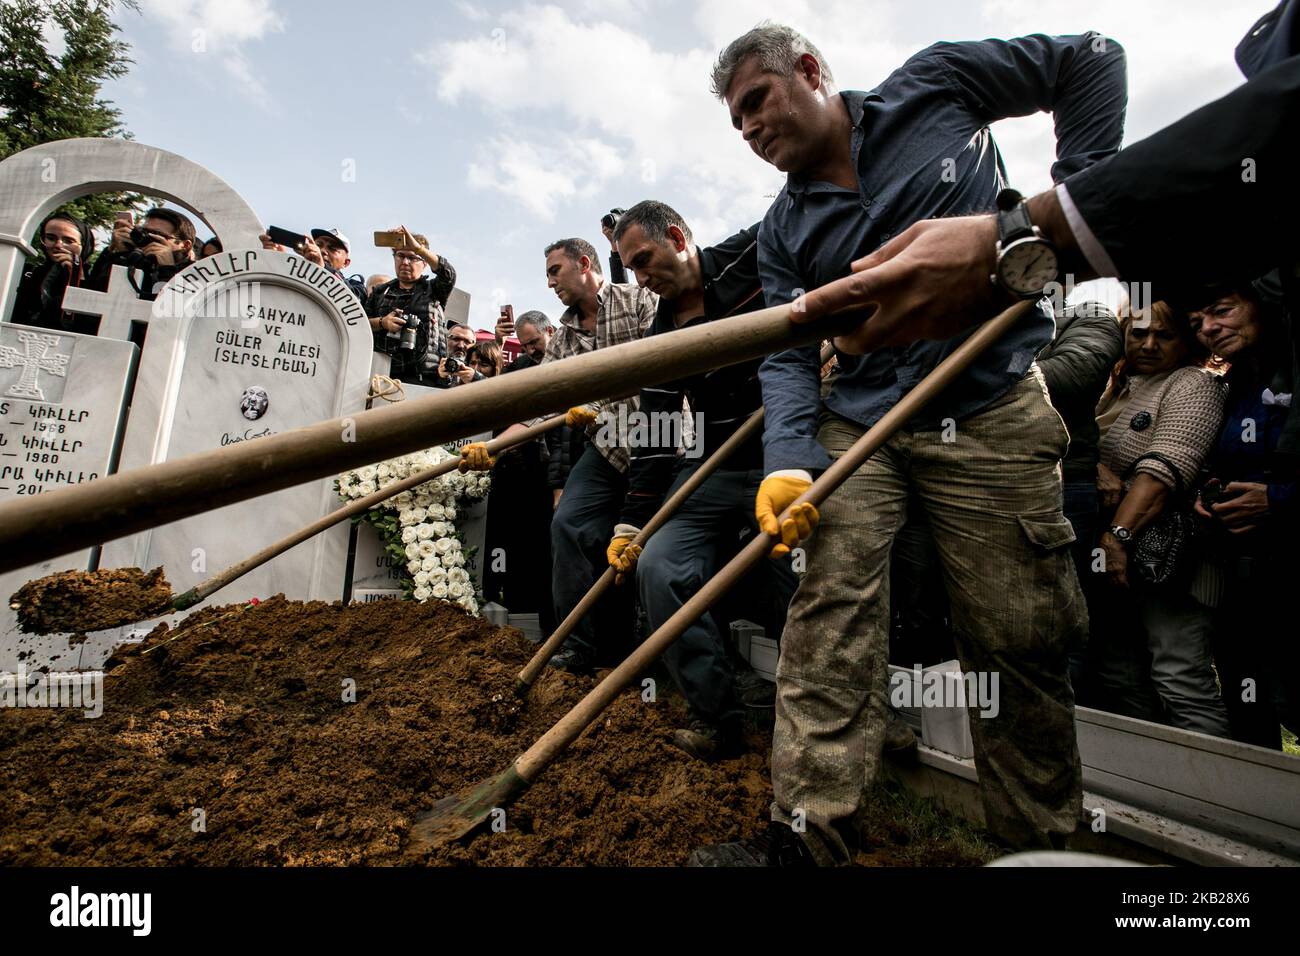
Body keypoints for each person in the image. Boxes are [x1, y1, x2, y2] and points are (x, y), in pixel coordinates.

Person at [698, 22, 1126, 865]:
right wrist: (788, 459)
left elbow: (1093, 58)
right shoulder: (783, 233)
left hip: (993, 400)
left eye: (756, 102)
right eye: (735, 124)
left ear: (812, 72)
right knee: (829, 609)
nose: (749, 130)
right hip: (861, 424)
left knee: (1017, 635)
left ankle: (1033, 846)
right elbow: (788, 352)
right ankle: (809, 834)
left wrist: (1069, 209)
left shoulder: (937, 86)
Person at [601, 201, 796, 759]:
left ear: (679, 237)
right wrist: (631, 524)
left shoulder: (750, 256)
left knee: (802, 567)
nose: (641, 278)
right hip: (712, 465)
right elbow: (657, 435)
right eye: (632, 269)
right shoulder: (662, 331)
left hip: (784, 453)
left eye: (645, 260)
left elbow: (808, 217)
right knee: (659, 569)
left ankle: (832, 708)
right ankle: (718, 719)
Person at [459, 238, 657, 673]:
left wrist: (606, 398)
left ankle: (650, 657)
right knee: (568, 525)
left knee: (652, 549)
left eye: (555, 271)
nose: (549, 283)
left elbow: (665, 365)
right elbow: (541, 408)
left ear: (585, 264)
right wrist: (492, 446)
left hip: (662, 442)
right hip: (606, 449)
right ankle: (576, 646)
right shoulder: (563, 341)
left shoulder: (640, 299)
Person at [1089, 303, 1229, 735]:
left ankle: (1217, 796)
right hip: (1117, 561)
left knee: (1179, 675)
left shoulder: (1194, 383)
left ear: (1185, 341)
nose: (1148, 344)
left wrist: (1115, 539)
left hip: (1170, 561)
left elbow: (1163, 472)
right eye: (1138, 333)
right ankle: (1155, 785)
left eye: (1164, 336)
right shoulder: (1118, 385)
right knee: (1121, 674)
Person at [1188, 282, 1300, 748]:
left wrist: (1278, 498)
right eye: (1197, 324)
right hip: (1244, 570)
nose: (1210, 329)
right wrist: (1204, 488)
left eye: (1221, 311)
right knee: (1247, 694)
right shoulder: (1234, 386)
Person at [1036, 300, 1125, 698]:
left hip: (1062, 490)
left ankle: (1070, 727)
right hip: (975, 486)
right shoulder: (963, 316)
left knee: (1062, 619)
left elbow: (1070, 375)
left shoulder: (1090, 316)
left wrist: (968, 368)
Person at [364, 227, 457, 385]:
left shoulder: (434, 290)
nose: (405, 262)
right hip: (383, 375)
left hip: (426, 377)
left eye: (412, 257)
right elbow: (359, 324)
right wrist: (382, 322)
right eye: (400, 256)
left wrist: (418, 248)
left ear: (424, 263)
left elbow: (448, 274)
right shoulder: (380, 292)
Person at [10, 212, 97, 334]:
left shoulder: (94, 282)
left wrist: (79, 279)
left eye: (68, 241)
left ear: (84, 245)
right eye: (51, 238)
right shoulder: (26, 273)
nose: (58, 245)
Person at [88, 206, 197, 301]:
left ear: (185, 245)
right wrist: (116, 254)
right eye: (144, 232)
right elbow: (93, 292)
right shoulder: (135, 259)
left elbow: (172, 310)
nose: (147, 239)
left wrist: (167, 269)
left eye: (157, 234)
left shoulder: (197, 273)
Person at [433, 322, 485, 388]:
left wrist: (476, 378)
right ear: (446, 339)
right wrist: (442, 379)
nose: (460, 345)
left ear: (474, 344)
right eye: (456, 339)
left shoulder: (480, 365)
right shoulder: (433, 363)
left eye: (467, 341)